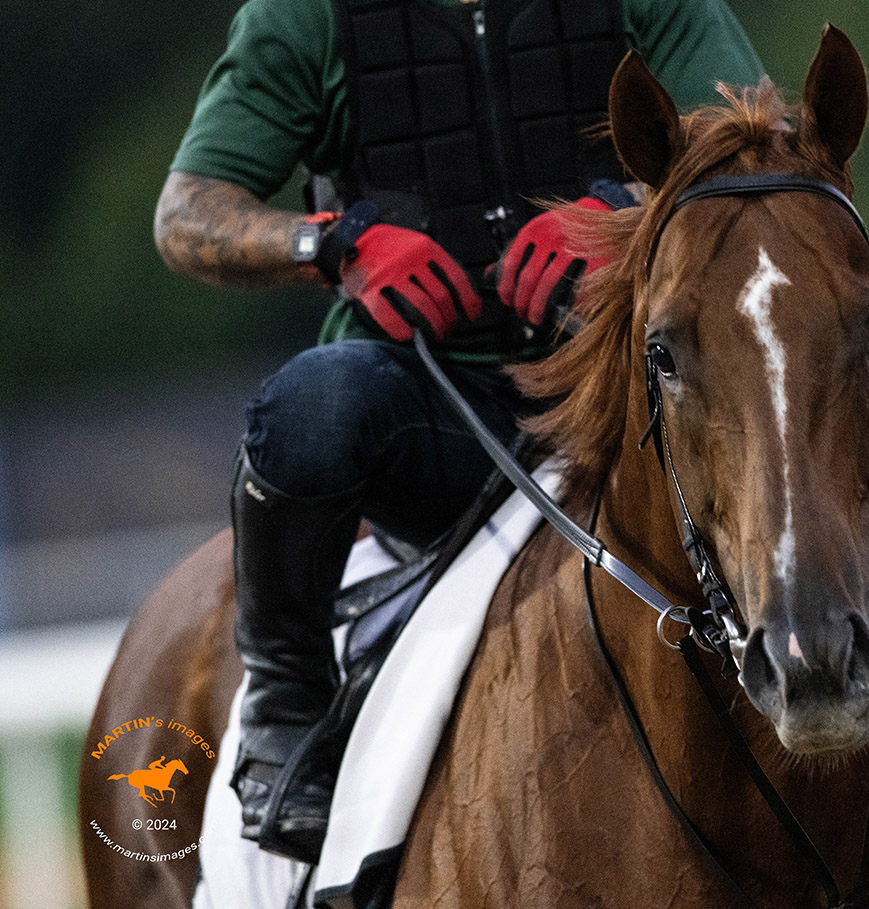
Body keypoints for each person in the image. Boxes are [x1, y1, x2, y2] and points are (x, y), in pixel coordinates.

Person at [155, 0, 766, 865]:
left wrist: (618, 216)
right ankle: (286, 710)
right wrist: (332, 244)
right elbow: (186, 213)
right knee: (315, 406)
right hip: (425, 414)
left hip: (626, 390)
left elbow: (752, 136)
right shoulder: (302, 18)